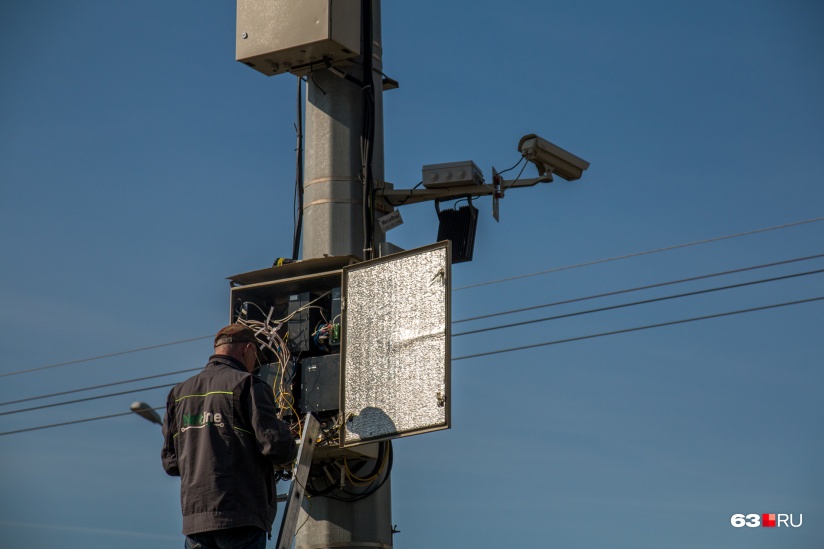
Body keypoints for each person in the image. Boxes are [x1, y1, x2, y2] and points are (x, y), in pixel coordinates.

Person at [162, 323, 297, 549]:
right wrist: (290, 439)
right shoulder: (247, 384)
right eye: (256, 356)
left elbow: (171, 463)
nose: (255, 365)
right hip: (240, 517)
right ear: (247, 349)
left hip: (196, 523)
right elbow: (275, 446)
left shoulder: (179, 393)